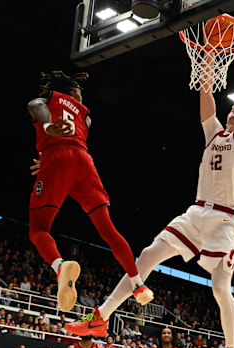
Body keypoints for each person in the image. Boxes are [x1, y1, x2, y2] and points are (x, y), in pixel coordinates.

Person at [65, 28, 234, 348]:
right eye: (231, 107)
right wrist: (207, 58)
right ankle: (101, 316)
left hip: (228, 221)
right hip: (197, 212)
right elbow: (206, 95)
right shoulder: (214, 134)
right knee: (147, 256)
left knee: (220, 287)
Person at [26, 70, 153, 312]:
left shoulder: (49, 100)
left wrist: (48, 127)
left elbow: (34, 104)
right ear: (71, 91)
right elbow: (75, 143)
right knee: (108, 229)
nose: (82, 98)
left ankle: (60, 267)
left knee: (39, 229)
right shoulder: (86, 116)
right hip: (84, 163)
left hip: (57, 158)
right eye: (79, 92)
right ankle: (138, 284)